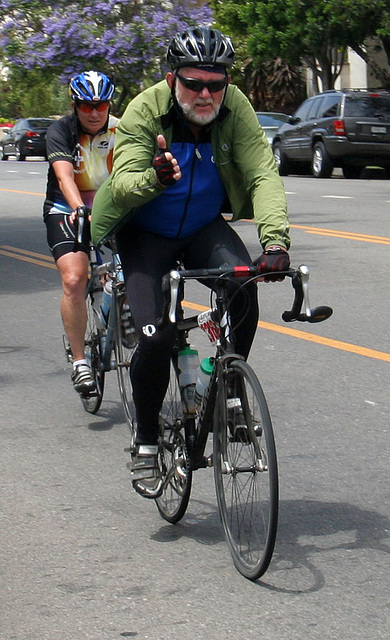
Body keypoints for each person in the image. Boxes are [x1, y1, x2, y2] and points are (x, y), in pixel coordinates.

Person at [91, 27, 290, 498]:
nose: (205, 94)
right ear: (171, 78)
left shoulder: (234, 107)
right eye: (193, 82)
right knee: (154, 337)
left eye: (215, 84)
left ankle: (231, 393)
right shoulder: (145, 109)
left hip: (202, 226)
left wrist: (276, 242)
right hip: (145, 230)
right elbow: (121, 187)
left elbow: (263, 172)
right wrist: (154, 178)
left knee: (244, 289)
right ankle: (144, 441)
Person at [44, 71, 118, 395]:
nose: (93, 112)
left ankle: (117, 308)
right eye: (86, 106)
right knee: (75, 279)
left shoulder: (121, 130)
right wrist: (78, 207)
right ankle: (80, 361)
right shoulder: (61, 130)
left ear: (108, 104)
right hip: (67, 209)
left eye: (100, 105)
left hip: (112, 209)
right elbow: (65, 178)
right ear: (75, 105)